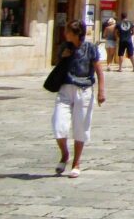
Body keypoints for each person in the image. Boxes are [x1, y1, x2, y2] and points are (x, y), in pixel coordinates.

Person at [52, 19, 106, 178]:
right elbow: (57, 64)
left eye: (68, 31)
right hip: (65, 89)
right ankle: (64, 154)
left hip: (84, 90)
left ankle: (76, 162)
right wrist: (63, 56)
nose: (64, 34)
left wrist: (101, 91)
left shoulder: (90, 48)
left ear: (76, 34)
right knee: (58, 125)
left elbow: (98, 70)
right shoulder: (65, 47)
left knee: (80, 127)